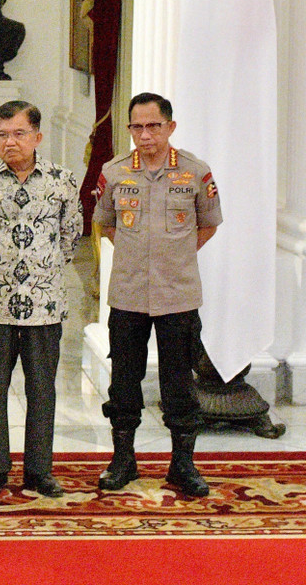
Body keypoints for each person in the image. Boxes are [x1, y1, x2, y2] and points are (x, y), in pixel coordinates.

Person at [93, 92, 222, 497]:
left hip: (178, 296)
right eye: (137, 127)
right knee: (124, 381)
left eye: (153, 126)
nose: (145, 135)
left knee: (179, 383)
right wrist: (140, 255)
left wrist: (172, 256)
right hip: (128, 294)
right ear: (129, 128)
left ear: (170, 127)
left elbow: (207, 225)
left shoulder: (195, 172)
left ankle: (183, 464)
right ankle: (123, 459)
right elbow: (107, 224)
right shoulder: (114, 172)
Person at [0, 100, 82, 498]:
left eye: (19, 133)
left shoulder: (62, 180)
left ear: (37, 136)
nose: (10, 142)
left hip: (45, 305)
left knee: (42, 389)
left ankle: (39, 471)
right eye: (2, 134)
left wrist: (39, 270)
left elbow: (70, 238)